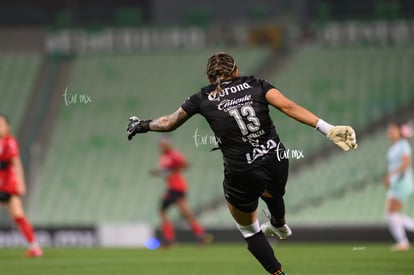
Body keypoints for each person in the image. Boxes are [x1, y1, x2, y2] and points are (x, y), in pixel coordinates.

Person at [126, 52, 357, 274]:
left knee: (249, 229)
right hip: (276, 158)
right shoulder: (256, 84)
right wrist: (329, 129)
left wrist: (141, 125)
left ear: (208, 77)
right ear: (236, 71)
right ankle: (278, 223)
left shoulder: (202, 98)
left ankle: (279, 272)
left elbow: (168, 123)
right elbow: (288, 107)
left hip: (242, 170)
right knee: (273, 193)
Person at [149, 135, 209, 247]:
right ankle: (200, 235)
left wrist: (172, 171)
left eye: (163, 143)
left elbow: (185, 164)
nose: (161, 145)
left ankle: (169, 238)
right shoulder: (163, 157)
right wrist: (157, 172)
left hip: (176, 187)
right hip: (174, 187)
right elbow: (166, 172)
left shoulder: (174, 155)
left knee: (163, 211)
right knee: (185, 213)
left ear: (168, 144)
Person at [0, 114, 42, 257]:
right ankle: (35, 247)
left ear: (7, 127)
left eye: (1, 124)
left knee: (18, 216)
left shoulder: (9, 142)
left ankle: (35, 247)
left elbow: (16, 163)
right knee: (18, 216)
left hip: (8, 186)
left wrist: (21, 183)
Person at [384, 121, 414, 251]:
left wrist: (391, 175)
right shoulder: (394, 146)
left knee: (392, 213)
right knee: (391, 214)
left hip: (403, 181)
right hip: (396, 182)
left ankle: (403, 242)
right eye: (389, 131)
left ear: (399, 132)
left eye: (392, 131)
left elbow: (406, 163)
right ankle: (403, 242)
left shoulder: (403, 144)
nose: (390, 133)